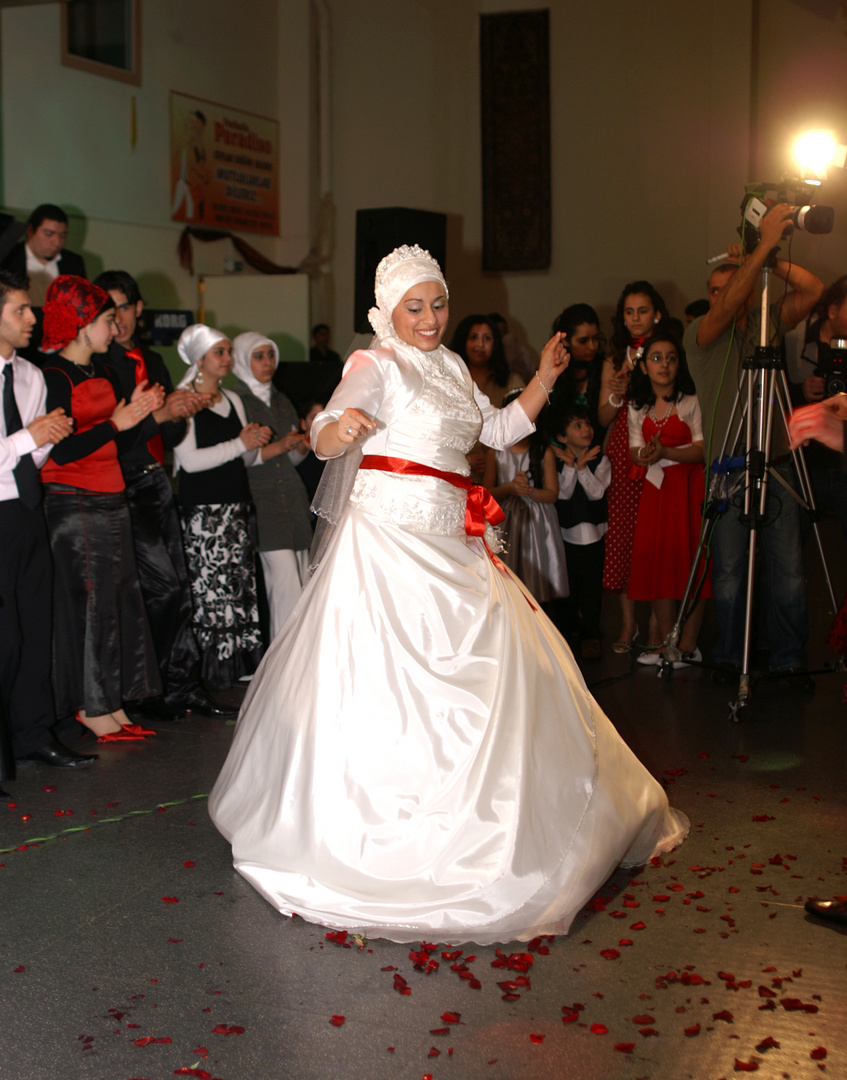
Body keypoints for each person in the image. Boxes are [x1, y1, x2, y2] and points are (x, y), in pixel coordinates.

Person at [208, 244, 687, 945]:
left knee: (499, 673)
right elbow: (324, 430)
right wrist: (337, 429)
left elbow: (494, 429)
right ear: (388, 311)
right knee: (392, 690)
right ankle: (381, 838)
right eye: (415, 307)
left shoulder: (453, 366)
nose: (430, 318)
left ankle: (500, 825)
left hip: (452, 539)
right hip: (388, 544)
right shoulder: (374, 364)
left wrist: (546, 380)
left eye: (437, 304)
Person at [684, 204, 823, 684]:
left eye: (734, 285)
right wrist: (759, 249)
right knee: (729, 573)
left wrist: (765, 260)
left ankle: (788, 657)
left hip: (779, 462)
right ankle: (730, 653)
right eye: (716, 289)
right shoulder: (699, 336)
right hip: (728, 468)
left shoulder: (765, 328)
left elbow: (814, 290)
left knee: (788, 571)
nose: (724, 296)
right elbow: (720, 312)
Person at [94, 270, 236, 721]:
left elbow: (170, 435)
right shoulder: (103, 364)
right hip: (121, 481)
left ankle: (175, 686)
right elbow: (114, 437)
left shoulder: (151, 360)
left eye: (123, 308)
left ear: (138, 309)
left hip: (155, 477)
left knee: (175, 587)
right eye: (107, 309)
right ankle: (149, 689)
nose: (116, 319)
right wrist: (162, 416)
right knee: (156, 589)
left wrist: (180, 412)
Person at [40, 276, 164, 741]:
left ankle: (110, 701)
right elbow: (60, 451)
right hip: (74, 500)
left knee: (117, 604)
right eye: (107, 321)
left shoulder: (100, 373)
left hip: (110, 495)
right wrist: (118, 420)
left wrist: (141, 413)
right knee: (93, 606)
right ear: (80, 325)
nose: (115, 330)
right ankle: (90, 705)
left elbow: (121, 440)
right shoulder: (53, 375)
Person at [0, 268, 96, 796]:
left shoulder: (30, 376)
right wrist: (24, 439)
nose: (32, 319)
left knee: (36, 628)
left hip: (26, 510)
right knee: (5, 636)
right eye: (20, 310)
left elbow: (30, 456)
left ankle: (33, 734)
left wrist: (43, 439)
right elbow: (13, 446)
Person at [173, 325, 271, 689]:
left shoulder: (233, 398)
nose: (228, 359)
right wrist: (238, 443)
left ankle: (240, 662)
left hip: (236, 506)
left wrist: (250, 445)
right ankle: (211, 667)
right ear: (199, 360)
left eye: (229, 352)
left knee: (238, 585)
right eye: (220, 353)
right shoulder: (182, 400)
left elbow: (243, 460)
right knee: (209, 589)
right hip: (203, 511)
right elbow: (190, 463)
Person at [627, 329, 710, 667]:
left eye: (671, 358)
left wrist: (667, 451)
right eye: (656, 359)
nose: (664, 365)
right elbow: (634, 449)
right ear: (644, 366)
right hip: (656, 492)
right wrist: (644, 454)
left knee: (691, 561)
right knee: (658, 562)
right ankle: (665, 641)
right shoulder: (638, 404)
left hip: (687, 489)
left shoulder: (690, 401)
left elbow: (702, 450)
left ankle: (688, 646)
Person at [599, 281, 668, 653]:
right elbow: (604, 415)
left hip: (659, 447)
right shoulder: (614, 359)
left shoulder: (667, 354)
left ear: (656, 314)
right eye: (629, 312)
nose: (636, 318)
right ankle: (628, 623)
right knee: (624, 534)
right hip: (624, 452)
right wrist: (615, 388)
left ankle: (657, 624)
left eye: (643, 311)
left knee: (657, 535)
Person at [231, 331, 314, 639]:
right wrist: (282, 446)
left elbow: (289, 460)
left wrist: (302, 444)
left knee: (302, 579)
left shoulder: (280, 398)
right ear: (242, 359)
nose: (267, 363)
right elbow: (240, 458)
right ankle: (283, 660)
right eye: (258, 356)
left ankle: (297, 654)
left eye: (270, 355)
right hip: (261, 497)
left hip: (290, 496)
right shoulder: (236, 400)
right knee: (285, 581)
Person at [482, 388, 569, 608]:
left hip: (537, 523)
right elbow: (486, 492)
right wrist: (510, 488)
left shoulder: (543, 452)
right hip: (506, 519)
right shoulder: (496, 453)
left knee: (534, 570)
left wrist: (529, 491)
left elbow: (552, 494)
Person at [785, 274, 847, 542]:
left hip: (843, 463)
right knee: (794, 542)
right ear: (833, 310)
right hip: (805, 463)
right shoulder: (795, 341)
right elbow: (770, 398)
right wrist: (801, 391)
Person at [552, 402, 611, 660]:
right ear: (562, 437)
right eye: (577, 425)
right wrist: (569, 466)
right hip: (565, 535)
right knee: (568, 586)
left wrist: (582, 468)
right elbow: (562, 494)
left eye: (587, 423)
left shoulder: (601, 459)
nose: (586, 429)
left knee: (591, 588)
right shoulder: (556, 461)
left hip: (594, 535)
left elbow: (597, 492)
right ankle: (568, 633)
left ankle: (590, 634)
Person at [449, 313, 524, 407]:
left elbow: (526, 416)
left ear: (495, 345)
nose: (480, 344)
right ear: (463, 341)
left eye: (487, 338)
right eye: (473, 337)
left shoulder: (512, 381)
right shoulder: (449, 378)